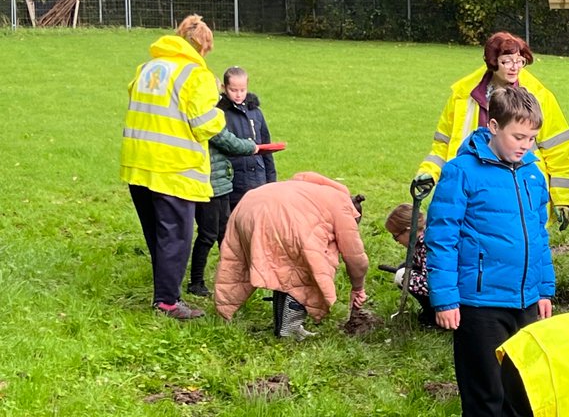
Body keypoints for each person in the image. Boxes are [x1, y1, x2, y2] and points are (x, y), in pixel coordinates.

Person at [424, 85, 556, 417]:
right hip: (479, 302)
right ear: (493, 126)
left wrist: (544, 290)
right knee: (486, 388)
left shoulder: (533, 172)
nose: (526, 145)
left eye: (532, 138)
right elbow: (441, 237)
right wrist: (445, 298)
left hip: (525, 300)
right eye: (518, 137)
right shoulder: (462, 172)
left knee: (518, 385)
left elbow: (539, 234)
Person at [413, 31, 569, 231]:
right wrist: (429, 173)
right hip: (471, 188)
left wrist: (563, 198)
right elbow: (443, 145)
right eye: (507, 61)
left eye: (520, 61)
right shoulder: (462, 96)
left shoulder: (539, 97)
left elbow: (558, 148)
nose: (515, 67)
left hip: (519, 188)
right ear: (492, 62)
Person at [120, 14, 226, 320]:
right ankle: (167, 302)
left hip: (138, 162)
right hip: (173, 167)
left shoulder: (147, 68)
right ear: (202, 45)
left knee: (156, 233)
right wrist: (220, 110)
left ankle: (164, 291)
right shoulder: (196, 75)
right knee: (176, 235)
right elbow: (204, 125)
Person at [214, 172, 368, 338]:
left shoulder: (313, 190)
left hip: (247, 208)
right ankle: (289, 329)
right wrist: (358, 288)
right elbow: (355, 257)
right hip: (281, 220)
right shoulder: (342, 206)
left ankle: (279, 324)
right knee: (309, 268)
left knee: (286, 267)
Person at [186, 125, 259, 297]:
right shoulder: (204, 118)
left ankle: (232, 276)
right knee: (208, 235)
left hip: (220, 185)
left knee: (224, 233)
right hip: (210, 187)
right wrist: (252, 146)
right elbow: (228, 141)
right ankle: (196, 282)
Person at [218, 66, 277, 210]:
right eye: (233, 90)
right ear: (225, 88)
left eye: (242, 90)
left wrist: (271, 181)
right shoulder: (220, 113)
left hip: (258, 179)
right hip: (234, 183)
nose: (238, 95)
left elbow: (266, 148)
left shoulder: (256, 113)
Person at [385, 202, 435, 327]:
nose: (396, 242)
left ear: (408, 230)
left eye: (395, 237)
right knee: (404, 268)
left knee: (403, 276)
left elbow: (431, 283)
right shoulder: (423, 238)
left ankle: (433, 317)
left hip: (449, 291)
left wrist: (403, 277)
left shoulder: (426, 246)